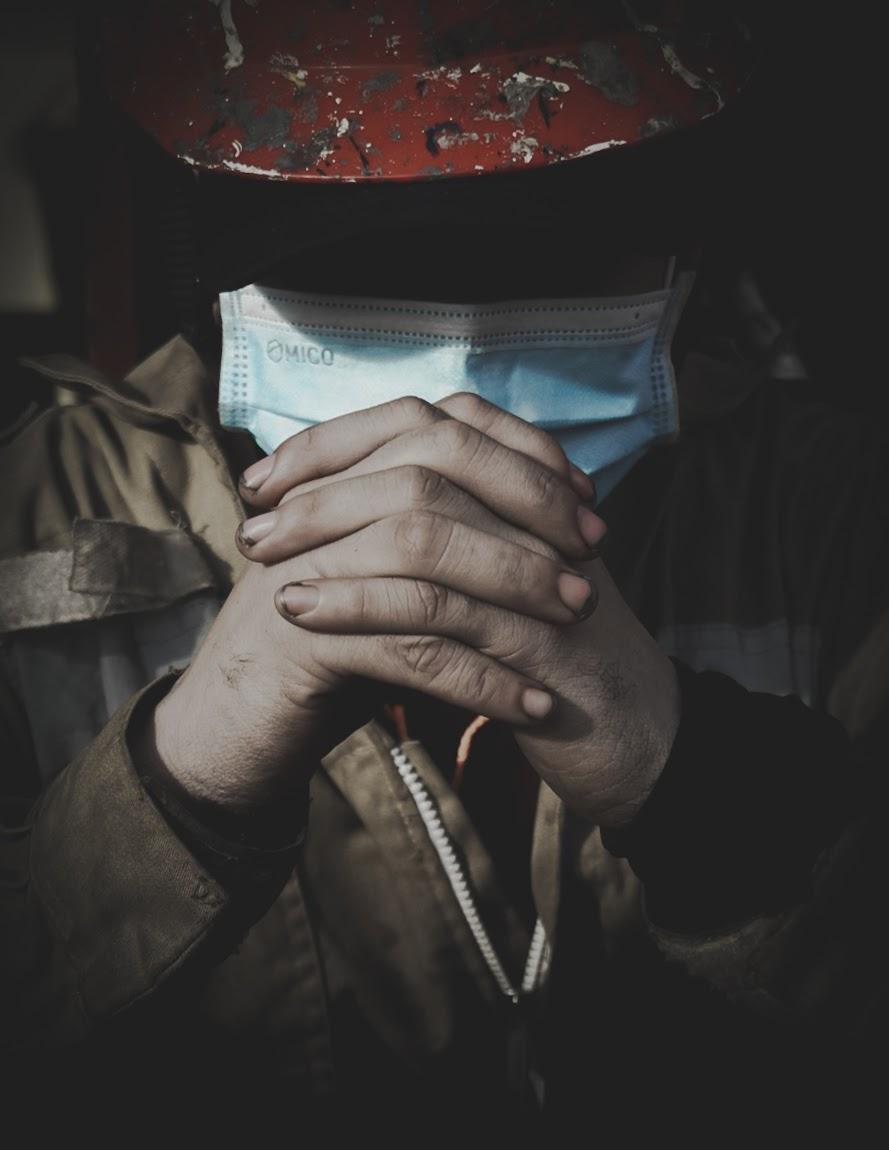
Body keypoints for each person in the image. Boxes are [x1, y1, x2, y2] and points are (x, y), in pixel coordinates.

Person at [1, 0, 885, 1138]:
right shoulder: (33, 510)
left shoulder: (838, 513)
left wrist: (692, 775)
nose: (461, 336)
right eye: (363, 252)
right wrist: (183, 783)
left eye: (551, 238)